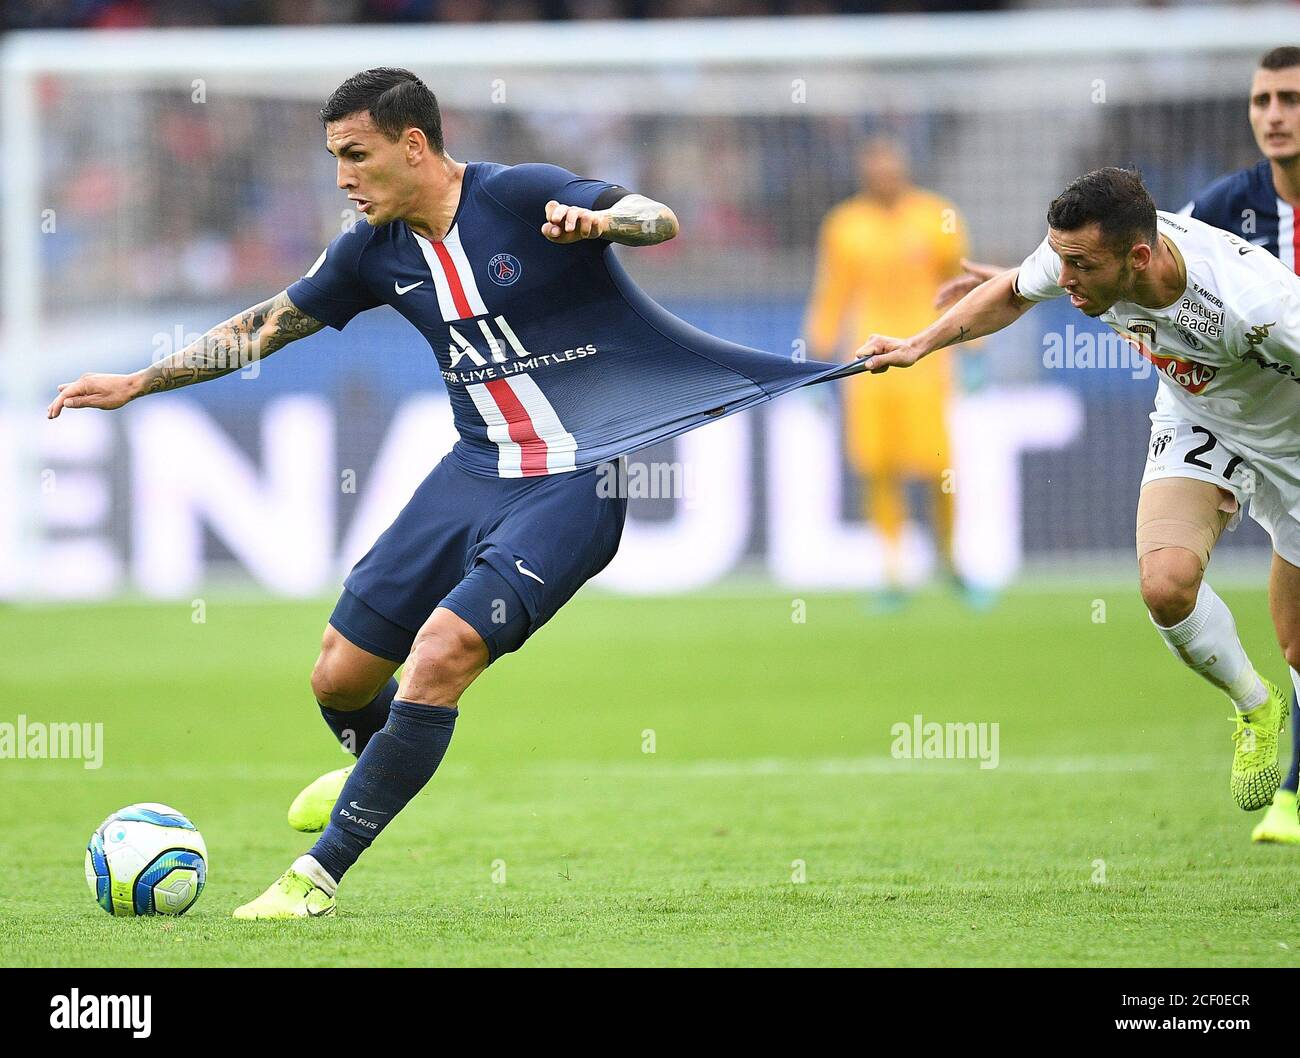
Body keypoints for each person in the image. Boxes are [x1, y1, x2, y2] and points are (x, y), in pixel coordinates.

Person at [48, 67, 864, 918]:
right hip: (475, 470)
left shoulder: (522, 199)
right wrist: (140, 381)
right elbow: (266, 324)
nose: (343, 178)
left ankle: (312, 880)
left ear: (414, 144)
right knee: (338, 676)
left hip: (577, 478)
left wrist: (605, 220)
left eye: (355, 155)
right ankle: (381, 765)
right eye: (334, 159)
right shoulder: (372, 250)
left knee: (440, 655)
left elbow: (656, 217)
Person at [859, 166, 1300, 818]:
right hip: (1199, 421)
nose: (1063, 280)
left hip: (1290, 442)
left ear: (1139, 258)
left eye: (1080, 266)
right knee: (1165, 585)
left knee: (1295, 644)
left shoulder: (1258, 305)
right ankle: (1254, 706)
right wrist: (919, 346)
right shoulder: (1082, 254)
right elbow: (1012, 291)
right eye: (1059, 260)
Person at [805, 138, 971, 608]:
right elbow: (831, 294)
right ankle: (893, 570)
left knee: (939, 466)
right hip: (870, 361)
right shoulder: (844, 225)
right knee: (878, 469)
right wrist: (817, 362)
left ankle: (950, 561)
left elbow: (962, 287)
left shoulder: (937, 216)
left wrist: (974, 348)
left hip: (926, 359)